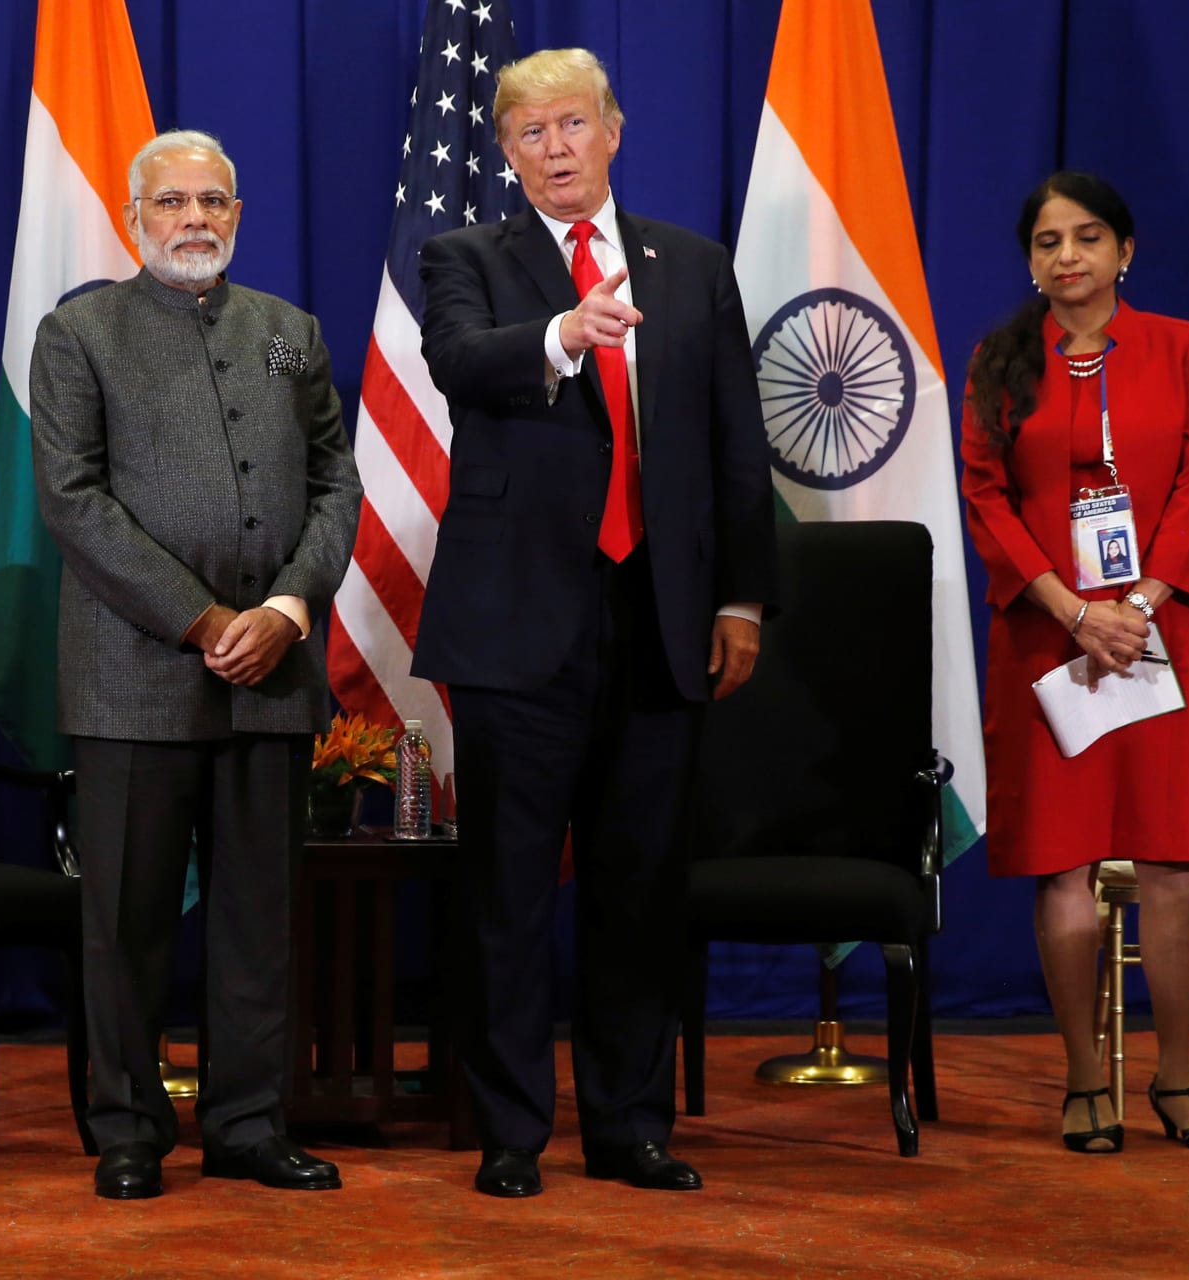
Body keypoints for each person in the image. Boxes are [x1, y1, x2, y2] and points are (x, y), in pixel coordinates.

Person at [412, 47, 776, 1200]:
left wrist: (739, 595)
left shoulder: (693, 265)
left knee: (641, 887)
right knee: (510, 889)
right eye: (529, 133)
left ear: (613, 130)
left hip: (661, 619)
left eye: (572, 124)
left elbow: (734, 445)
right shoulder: (466, 255)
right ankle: (513, 1127)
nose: (554, 147)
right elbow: (461, 363)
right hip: (521, 624)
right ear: (505, 152)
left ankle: (629, 1123)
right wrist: (565, 334)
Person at [31, 129, 363, 1200]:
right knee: (126, 919)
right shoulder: (82, 330)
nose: (195, 220)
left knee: (259, 916)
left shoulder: (285, 335)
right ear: (136, 219)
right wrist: (200, 616)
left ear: (237, 211)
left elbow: (334, 481)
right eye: (171, 202)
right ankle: (128, 1125)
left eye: (213, 201)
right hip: (132, 675)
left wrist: (287, 604)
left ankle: (248, 1122)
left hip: (274, 667)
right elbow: (73, 500)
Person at [960, 171, 1189, 1159]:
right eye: (1047, 240)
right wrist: (1076, 611)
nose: (1067, 256)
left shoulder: (1185, 347)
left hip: (1164, 635)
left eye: (1087, 237)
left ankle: (1174, 1074)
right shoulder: (1000, 359)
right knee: (1064, 859)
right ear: (1031, 260)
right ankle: (1087, 1078)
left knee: (1169, 857)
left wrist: (1141, 603)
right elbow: (985, 498)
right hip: (1050, 640)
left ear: (1126, 249)